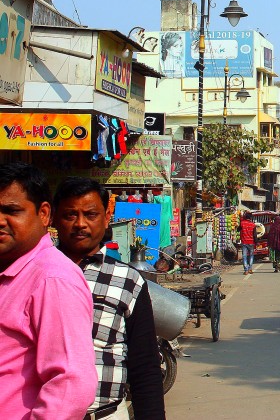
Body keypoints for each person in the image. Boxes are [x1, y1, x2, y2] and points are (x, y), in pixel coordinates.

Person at [51, 177, 165, 420]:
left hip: (107, 414)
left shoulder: (128, 280)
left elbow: (144, 365)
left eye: (90, 215)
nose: (80, 224)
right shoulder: (38, 273)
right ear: (52, 218)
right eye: (70, 215)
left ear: (106, 218)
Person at [0, 162, 97, 420]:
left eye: (11, 210)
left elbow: (70, 385)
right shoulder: (10, 272)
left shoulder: (52, 278)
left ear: (44, 214)